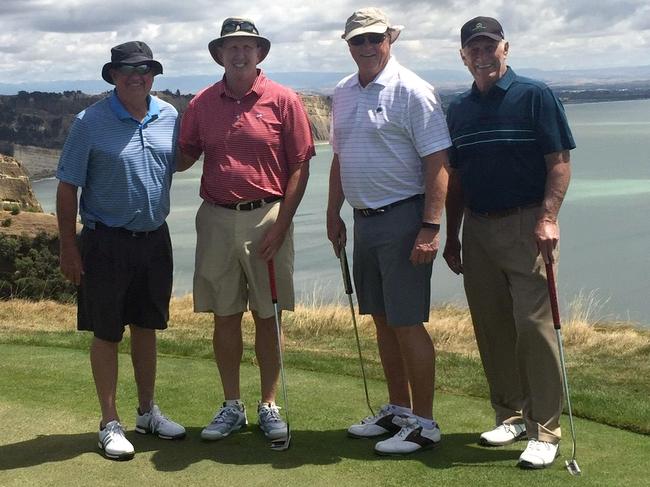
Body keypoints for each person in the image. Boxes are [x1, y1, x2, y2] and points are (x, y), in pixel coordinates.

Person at [444, 17, 575, 469]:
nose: (482, 56)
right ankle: (511, 414)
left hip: (526, 224)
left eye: (489, 47)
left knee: (533, 328)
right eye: (473, 49)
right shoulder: (457, 108)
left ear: (506, 48)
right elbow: (456, 179)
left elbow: (558, 162)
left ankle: (545, 430)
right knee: (491, 326)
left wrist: (548, 217)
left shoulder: (535, 95)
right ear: (463, 56)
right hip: (477, 228)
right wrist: (453, 235)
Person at [177, 17, 314, 443]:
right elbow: (183, 156)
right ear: (220, 54)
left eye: (247, 47)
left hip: (267, 216)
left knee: (267, 316)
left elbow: (301, 165)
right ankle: (232, 404)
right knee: (225, 314)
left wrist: (283, 222)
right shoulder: (202, 103)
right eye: (231, 47)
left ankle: (268, 403)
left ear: (260, 54)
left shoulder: (283, 100)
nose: (239, 54)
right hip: (215, 217)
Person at [327, 8, 451, 455]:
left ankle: (424, 423)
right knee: (381, 320)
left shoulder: (413, 90)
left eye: (374, 39)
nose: (366, 47)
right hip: (363, 220)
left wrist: (430, 226)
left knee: (406, 322)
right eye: (358, 40)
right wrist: (331, 212)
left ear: (389, 40)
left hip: (404, 219)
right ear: (348, 45)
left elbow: (438, 163)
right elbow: (340, 159)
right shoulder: (342, 92)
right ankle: (398, 409)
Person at [56, 41, 186, 461]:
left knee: (147, 326)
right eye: (128, 69)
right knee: (107, 331)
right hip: (106, 241)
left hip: (154, 237)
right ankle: (109, 421)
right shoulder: (88, 122)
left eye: (145, 68)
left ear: (153, 74)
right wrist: (68, 247)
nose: (137, 75)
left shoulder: (168, 115)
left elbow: (179, 161)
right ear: (113, 75)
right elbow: (66, 185)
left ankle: (147, 411)